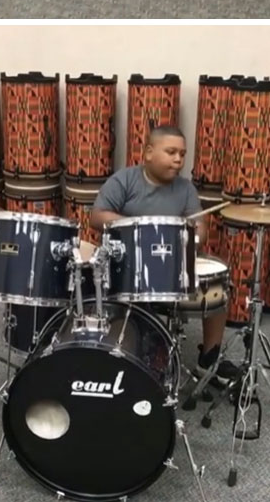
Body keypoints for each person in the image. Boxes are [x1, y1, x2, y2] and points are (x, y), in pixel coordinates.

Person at [91, 125, 237, 381]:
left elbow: (200, 228)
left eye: (182, 153)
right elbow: (97, 216)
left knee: (217, 281)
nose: (179, 159)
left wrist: (195, 235)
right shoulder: (124, 180)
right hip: (128, 265)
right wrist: (145, 227)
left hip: (170, 264)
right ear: (148, 152)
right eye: (171, 152)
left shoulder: (186, 189)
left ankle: (210, 356)